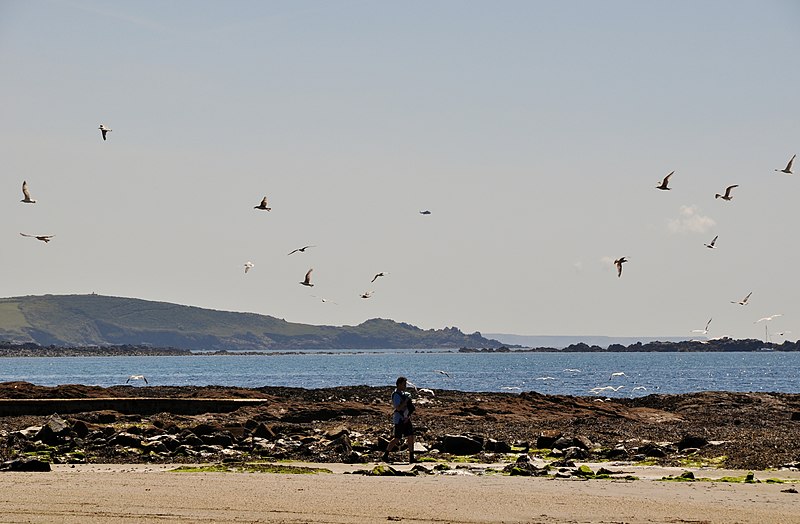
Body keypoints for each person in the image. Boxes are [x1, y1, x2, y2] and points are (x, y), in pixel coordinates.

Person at [382, 376, 415, 463]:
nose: (405, 386)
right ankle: (385, 455)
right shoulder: (396, 395)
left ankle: (412, 457)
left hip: (406, 418)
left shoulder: (403, 394)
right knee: (397, 438)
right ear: (399, 384)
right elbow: (398, 408)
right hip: (399, 419)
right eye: (404, 384)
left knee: (411, 436)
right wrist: (406, 401)